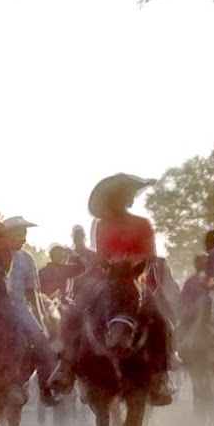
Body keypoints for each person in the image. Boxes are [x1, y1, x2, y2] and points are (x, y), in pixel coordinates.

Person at [55, 173, 175, 406]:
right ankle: (65, 367)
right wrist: (111, 263)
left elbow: (150, 255)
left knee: (162, 321)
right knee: (73, 313)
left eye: (127, 196)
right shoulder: (102, 225)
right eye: (122, 196)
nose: (126, 199)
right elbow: (101, 255)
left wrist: (130, 261)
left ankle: (161, 376)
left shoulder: (142, 223)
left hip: (137, 280)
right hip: (106, 279)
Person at [2, 216, 58, 389]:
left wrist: (40, 318)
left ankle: (47, 385)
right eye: (19, 233)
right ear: (8, 234)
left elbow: (32, 292)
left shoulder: (26, 258)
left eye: (24, 233)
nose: (23, 238)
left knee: (41, 340)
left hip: (19, 307)